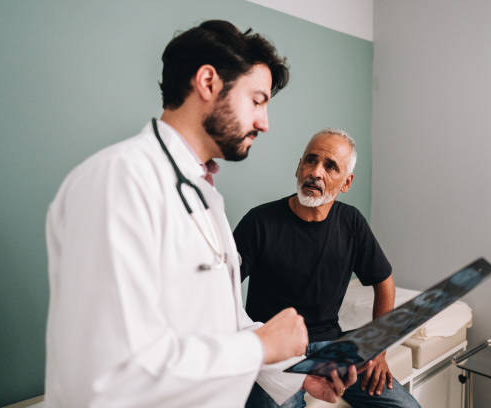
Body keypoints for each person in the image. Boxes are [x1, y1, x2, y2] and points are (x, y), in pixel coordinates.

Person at [44, 21, 359, 408]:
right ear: (208, 83)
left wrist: (298, 371)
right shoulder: (119, 181)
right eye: (257, 100)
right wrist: (259, 346)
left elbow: (224, 324)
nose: (264, 123)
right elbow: (108, 373)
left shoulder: (205, 197)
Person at [234, 129, 422, 408]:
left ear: (346, 182)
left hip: (331, 348)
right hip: (276, 353)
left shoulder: (352, 223)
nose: (316, 172)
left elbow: (384, 283)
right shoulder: (259, 222)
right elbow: (218, 290)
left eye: (330, 166)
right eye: (310, 161)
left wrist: (377, 350)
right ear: (298, 167)